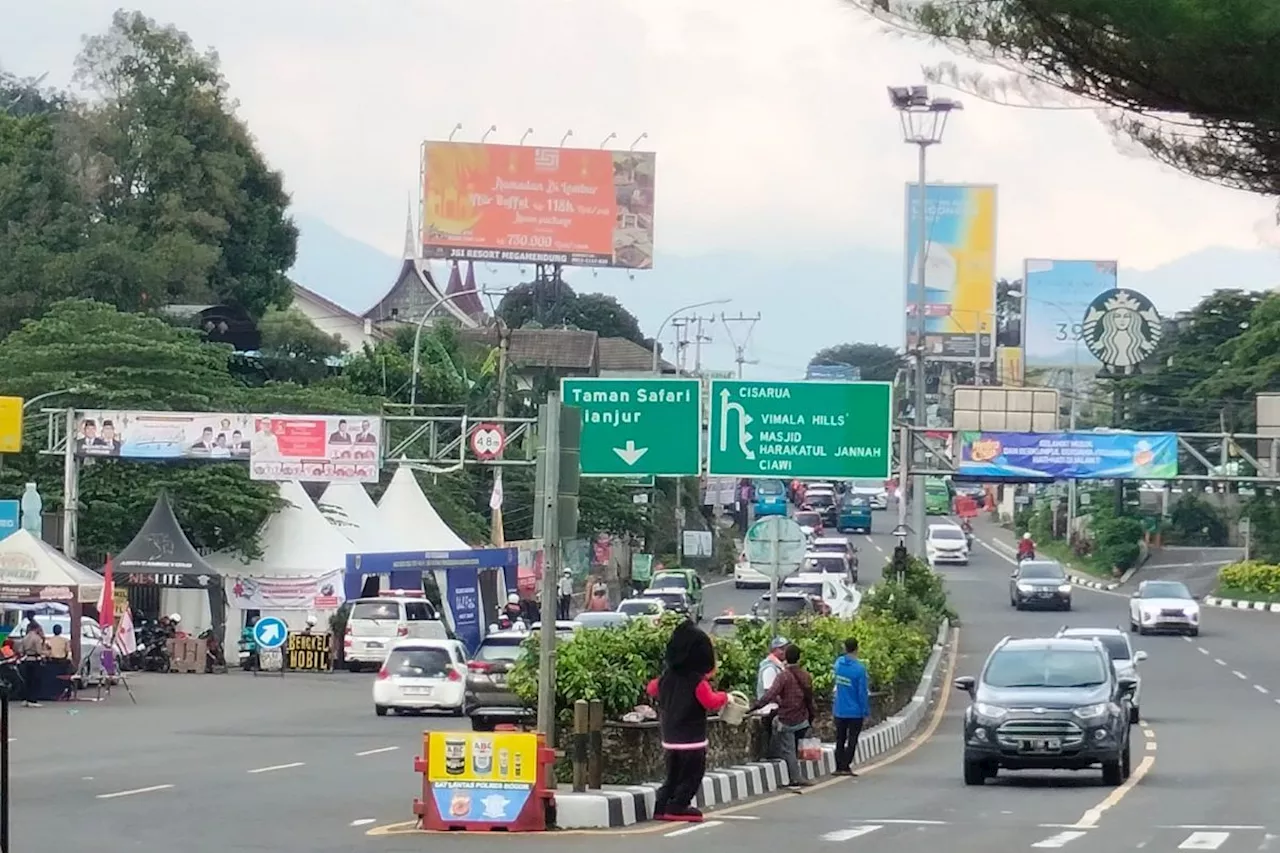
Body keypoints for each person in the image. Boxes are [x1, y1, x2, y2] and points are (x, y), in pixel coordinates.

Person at [645, 621, 727, 821]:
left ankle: (661, 805)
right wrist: (726, 697)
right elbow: (710, 701)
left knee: (672, 775)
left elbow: (651, 689)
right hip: (692, 739)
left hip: (670, 738)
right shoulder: (698, 682)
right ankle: (678, 805)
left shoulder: (665, 679)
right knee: (691, 776)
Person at [751, 644, 816, 791]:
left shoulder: (783, 676)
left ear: (786, 657)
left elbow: (769, 695)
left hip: (787, 718)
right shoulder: (806, 676)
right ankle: (794, 773)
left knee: (788, 749)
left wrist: (754, 707)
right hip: (803, 718)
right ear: (799, 658)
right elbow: (810, 698)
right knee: (793, 747)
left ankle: (795, 777)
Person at [832, 637, 870, 776]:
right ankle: (845, 765)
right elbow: (862, 693)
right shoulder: (859, 669)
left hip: (840, 709)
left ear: (844, 648)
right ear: (856, 649)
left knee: (840, 738)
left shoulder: (838, 665)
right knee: (852, 739)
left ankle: (838, 766)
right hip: (855, 711)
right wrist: (865, 712)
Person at [18, 622, 46, 707]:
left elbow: (20, 650)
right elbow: (39, 651)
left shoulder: (25, 638)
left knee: (27, 680)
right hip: (34, 660)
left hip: (26, 660)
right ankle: (32, 700)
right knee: (35, 681)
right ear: (36, 628)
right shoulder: (36, 638)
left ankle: (25, 699)